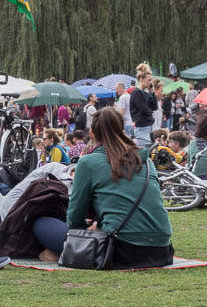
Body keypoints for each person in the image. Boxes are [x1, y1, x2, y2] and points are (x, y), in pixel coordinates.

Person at [46, 108, 175, 268]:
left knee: (42, 224)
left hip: (120, 248)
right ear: (122, 130)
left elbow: (75, 216)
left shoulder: (88, 163)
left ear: (92, 133)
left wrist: (88, 230)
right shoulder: (146, 162)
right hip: (161, 249)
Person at [128, 64, 158, 147]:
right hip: (142, 127)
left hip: (149, 126)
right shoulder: (135, 93)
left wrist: (152, 92)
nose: (150, 82)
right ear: (141, 79)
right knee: (145, 153)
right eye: (149, 80)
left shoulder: (145, 93)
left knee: (150, 152)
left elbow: (155, 107)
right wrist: (150, 110)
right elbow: (145, 110)